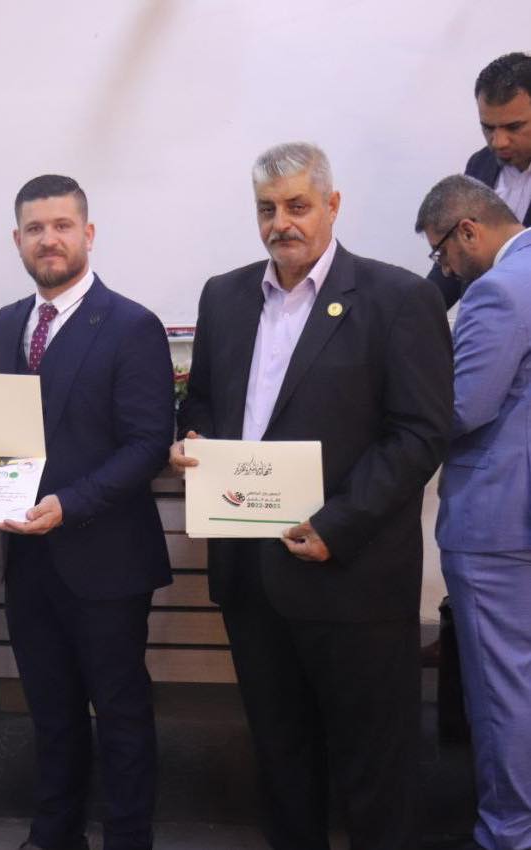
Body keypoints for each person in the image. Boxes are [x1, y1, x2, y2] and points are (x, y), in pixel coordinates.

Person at [173, 143, 452, 850]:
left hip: (352, 576)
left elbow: (419, 433)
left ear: (332, 205)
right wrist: (191, 440)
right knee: (281, 761)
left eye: (298, 206)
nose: (281, 223)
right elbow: (202, 400)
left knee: (374, 771)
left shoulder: (398, 299)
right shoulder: (224, 297)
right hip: (251, 577)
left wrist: (338, 524)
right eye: (267, 209)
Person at [0, 174, 175, 850]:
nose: (49, 239)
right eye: (35, 228)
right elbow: (1, 432)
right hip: (29, 559)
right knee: (51, 710)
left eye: (62, 225)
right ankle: (54, 833)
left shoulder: (132, 325)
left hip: (107, 560)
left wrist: (70, 504)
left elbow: (148, 444)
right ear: (18, 240)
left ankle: (128, 838)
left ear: (88, 234)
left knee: (120, 713)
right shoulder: (8, 324)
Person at [417, 175, 531, 850]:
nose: (445, 269)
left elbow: (462, 408)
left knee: (501, 687)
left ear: (467, 230)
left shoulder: (498, 289)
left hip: (498, 521)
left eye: (441, 252)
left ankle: (508, 832)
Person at [430, 52, 531, 309]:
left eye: (514, 127)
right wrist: (414, 311)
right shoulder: (480, 164)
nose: (498, 142)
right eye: (488, 127)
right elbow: (456, 255)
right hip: (482, 319)